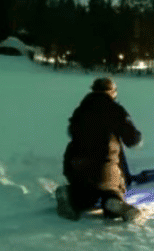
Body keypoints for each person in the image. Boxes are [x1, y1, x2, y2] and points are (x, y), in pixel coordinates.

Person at [55, 77, 143, 221]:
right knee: (112, 189)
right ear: (111, 92)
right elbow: (132, 139)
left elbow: (72, 131)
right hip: (104, 165)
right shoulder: (114, 109)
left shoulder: (81, 110)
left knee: (85, 195)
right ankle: (113, 203)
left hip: (74, 165)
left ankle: (70, 194)